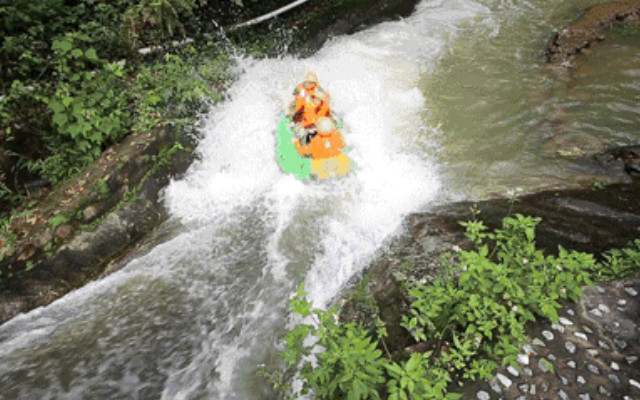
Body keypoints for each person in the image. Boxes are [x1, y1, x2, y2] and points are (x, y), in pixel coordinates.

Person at [288, 72, 331, 144]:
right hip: (306, 125)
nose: (308, 85)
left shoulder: (324, 105)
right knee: (300, 134)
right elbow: (297, 112)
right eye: (307, 83)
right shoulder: (306, 103)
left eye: (311, 83)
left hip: (317, 125)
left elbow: (327, 115)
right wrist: (295, 122)